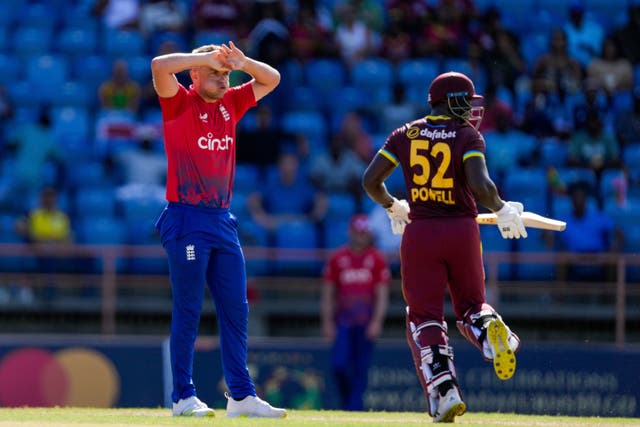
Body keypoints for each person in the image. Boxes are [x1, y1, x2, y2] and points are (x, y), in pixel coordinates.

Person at [362, 71, 525, 423]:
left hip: (420, 233)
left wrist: (393, 205)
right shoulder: (467, 134)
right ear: (452, 100)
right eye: (466, 99)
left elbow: (370, 181)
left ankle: (445, 388)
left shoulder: (404, 134)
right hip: (462, 230)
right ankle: (489, 332)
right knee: (470, 305)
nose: (471, 108)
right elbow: (481, 186)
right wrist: (503, 209)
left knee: (424, 316)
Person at [150, 40, 286, 418]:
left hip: (222, 220)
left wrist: (241, 62)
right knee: (189, 308)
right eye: (215, 72)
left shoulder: (231, 104)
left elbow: (272, 78)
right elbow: (160, 65)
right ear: (194, 74)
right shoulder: (179, 103)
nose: (224, 79)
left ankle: (241, 396)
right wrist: (205, 58)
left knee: (236, 309)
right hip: (187, 219)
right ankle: (182, 397)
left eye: (227, 74)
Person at [321, 213, 390, 411]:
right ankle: (348, 403)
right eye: (357, 232)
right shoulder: (338, 258)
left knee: (361, 368)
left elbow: (381, 294)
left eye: (363, 233)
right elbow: (328, 293)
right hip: (343, 320)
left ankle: (354, 409)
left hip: (366, 320)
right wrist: (327, 322)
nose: (360, 237)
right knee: (339, 365)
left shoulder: (376, 259)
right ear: (351, 232)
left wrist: (377, 322)